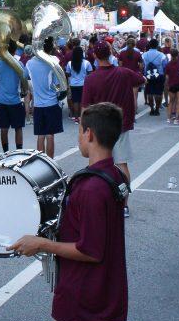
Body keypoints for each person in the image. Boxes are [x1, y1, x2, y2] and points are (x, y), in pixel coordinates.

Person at [9, 102, 127, 321]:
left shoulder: (91, 188)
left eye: (80, 132)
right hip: (97, 290)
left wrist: (40, 243)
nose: (79, 137)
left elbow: (90, 250)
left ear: (90, 135)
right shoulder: (114, 175)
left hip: (79, 293)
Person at [82, 42, 145, 218]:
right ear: (111, 53)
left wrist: (83, 130)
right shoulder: (124, 73)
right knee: (121, 164)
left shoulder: (91, 78)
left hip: (98, 126)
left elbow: (85, 107)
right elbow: (142, 79)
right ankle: (124, 204)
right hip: (120, 125)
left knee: (96, 165)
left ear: (95, 56)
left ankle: (98, 202)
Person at [27, 37, 64, 158]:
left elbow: (26, 78)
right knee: (50, 135)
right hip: (51, 103)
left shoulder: (29, 63)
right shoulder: (54, 60)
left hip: (37, 104)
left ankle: (41, 162)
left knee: (40, 135)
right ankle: (51, 161)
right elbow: (58, 84)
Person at [0, 40, 26, 152]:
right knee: (18, 128)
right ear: (15, 50)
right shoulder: (19, 64)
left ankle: (6, 152)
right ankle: (19, 151)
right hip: (15, 100)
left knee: (4, 128)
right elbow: (25, 78)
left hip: (1, 100)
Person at [65, 45, 93, 124]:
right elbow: (90, 73)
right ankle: (82, 117)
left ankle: (76, 118)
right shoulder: (86, 63)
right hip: (84, 84)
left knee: (75, 101)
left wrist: (72, 77)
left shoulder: (70, 63)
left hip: (73, 85)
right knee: (82, 101)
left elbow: (67, 73)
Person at [142, 39, 167, 116]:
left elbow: (142, 66)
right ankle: (157, 109)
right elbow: (165, 66)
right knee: (158, 93)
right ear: (157, 45)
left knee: (150, 92)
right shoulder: (162, 55)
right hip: (159, 75)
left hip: (148, 75)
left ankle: (152, 109)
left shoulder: (144, 55)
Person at [164, 49, 179, 125]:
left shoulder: (168, 65)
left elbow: (167, 77)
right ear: (177, 55)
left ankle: (169, 118)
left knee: (171, 102)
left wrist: (167, 85)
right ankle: (177, 119)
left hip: (171, 84)